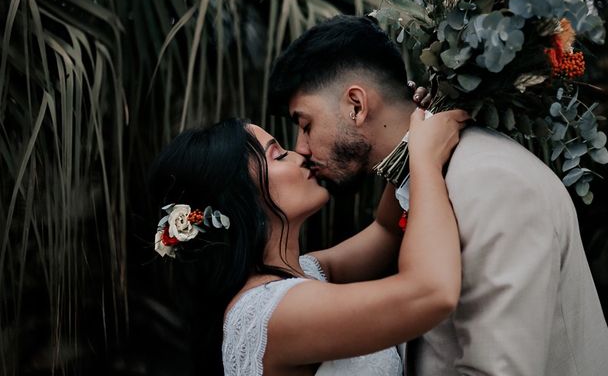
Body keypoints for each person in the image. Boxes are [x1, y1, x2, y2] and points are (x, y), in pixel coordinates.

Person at [267, 14, 608, 376]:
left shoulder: (493, 183)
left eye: (305, 125)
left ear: (356, 106)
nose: (302, 148)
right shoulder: (428, 179)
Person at [147, 109, 467, 375]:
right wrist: (426, 160)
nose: (300, 153)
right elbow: (431, 292)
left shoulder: (303, 273)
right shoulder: (274, 313)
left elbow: (386, 229)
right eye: (279, 155)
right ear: (239, 199)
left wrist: (410, 126)